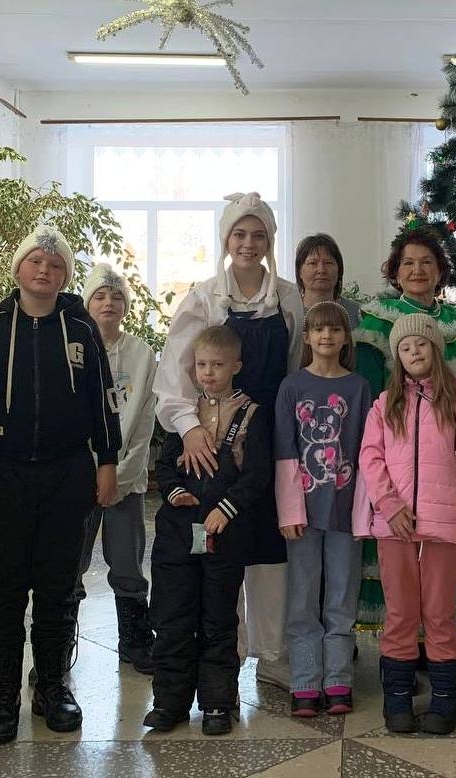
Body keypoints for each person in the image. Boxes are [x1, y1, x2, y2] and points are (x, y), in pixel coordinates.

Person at [0, 226, 122, 742]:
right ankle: (2, 695)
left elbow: (103, 397)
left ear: (65, 276)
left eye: (55, 266)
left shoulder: (81, 329)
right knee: (5, 589)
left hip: (67, 474)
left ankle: (53, 687)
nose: (44, 270)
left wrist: (107, 460)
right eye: (35, 261)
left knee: (59, 588)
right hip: (2, 475)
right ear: (18, 269)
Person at [154, 193, 303, 691]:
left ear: (270, 241)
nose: (248, 243)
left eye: (258, 235)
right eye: (240, 234)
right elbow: (175, 374)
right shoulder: (202, 299)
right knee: (219, 548)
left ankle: (272, 653)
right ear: (225, 239)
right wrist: (190, 428)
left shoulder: (288, 299)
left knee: (268, 547)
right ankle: (225, 651)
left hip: (269, 439)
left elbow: (295, 367)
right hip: (212, 443)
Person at [357, 314, 456, 736]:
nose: (414, 352)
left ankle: (444, 702)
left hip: (443, 526)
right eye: (405, 348)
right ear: (397, 358)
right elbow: (371, 458)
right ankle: (397, 701)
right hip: (396, 525)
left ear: (436, 350)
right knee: (401, 614)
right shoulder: (385, 404)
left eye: (421, 344)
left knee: (439, 614)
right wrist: (389, 505)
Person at [352, 227, 456, 638]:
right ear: (395, 271)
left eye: (427, 262)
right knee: (399, 557)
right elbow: (369, 394)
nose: (417, 270)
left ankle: (440, 642)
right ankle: (403, 642)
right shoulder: (378, 320)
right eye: (408, 262)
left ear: (441, 270)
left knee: (445, 558)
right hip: (397, 463)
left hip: (448, 462)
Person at [144, 326, 272, 736]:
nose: (209, 373)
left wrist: (226, 510)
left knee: (218, 619)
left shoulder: (251, 414)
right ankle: (169, 702)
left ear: (236, 366)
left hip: (224, 532)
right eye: (202, 365)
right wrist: (175, 491)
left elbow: (256, 475)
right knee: (173, 616)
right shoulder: (182, 412)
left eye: (217, 365)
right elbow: (164, 466)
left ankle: (218, 702)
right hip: (176, 532)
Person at [274, 301, 371, 717]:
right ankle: (305, 681)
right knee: (302, 598)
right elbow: (284, 451)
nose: (327, 336)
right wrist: (290, 512)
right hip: (303, 515)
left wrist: (365, 512)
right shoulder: (291, 387)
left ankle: (338, 680)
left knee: (342, 597)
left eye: (334, 329)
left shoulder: (359, 387)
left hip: (347, 513)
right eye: (318, 329)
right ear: (308, 337)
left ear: (346, 337)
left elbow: (369, 453)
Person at [75, 262, 158, 673]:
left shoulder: (142, 354)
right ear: (86, 302)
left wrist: (120, 476)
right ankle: (59, 642)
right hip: (78, 477)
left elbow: (144, 423)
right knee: (69, 563)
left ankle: (135, 641)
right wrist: (89, 473)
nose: (109, 302)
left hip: (127, 477)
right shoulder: (72, 348)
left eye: (117, 296)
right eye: (100, 295)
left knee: (127, 561)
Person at [295, 233, 362, 328]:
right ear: (299, 272)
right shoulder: (289, 312)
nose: (321, 270)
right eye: (313, 263)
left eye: (328, 263)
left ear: (339, 270)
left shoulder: (358, 313)